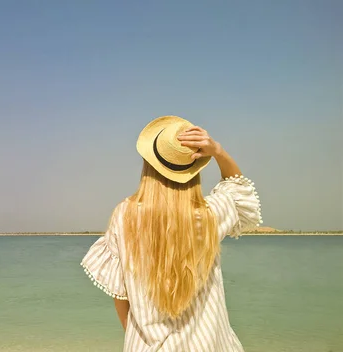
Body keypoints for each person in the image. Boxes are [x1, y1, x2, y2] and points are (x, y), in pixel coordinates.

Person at [80, 115, 262, 351]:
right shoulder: (209, 215)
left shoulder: (125, 215)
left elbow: (120, 293)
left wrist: (136, 339)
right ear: (194, 169)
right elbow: (239, 191)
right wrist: (218, 151)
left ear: (148, 164)